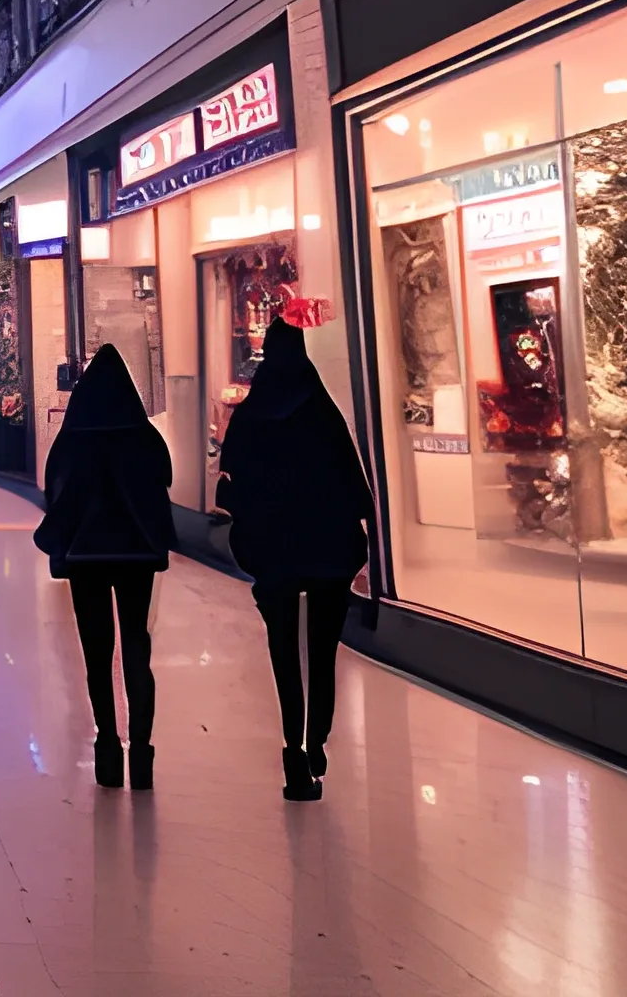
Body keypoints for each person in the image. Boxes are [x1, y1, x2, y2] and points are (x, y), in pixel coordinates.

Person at [215, 319, 376, 802]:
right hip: (329, 553)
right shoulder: (325, 414)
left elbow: (230, 486)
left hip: (273, 556)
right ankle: (317, 743)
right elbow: (356, 490)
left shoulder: (251, 416)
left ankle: (291, 751)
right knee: (323, 653)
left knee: (284, 652)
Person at [33, 345, 175, 791]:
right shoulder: (144, 437)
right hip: (137, 556)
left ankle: (109, 751)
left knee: (97, 655)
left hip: (85, 556)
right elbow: (162, 480)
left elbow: (52, 490)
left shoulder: (73, 439)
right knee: (137, 647)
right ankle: (144, 756)